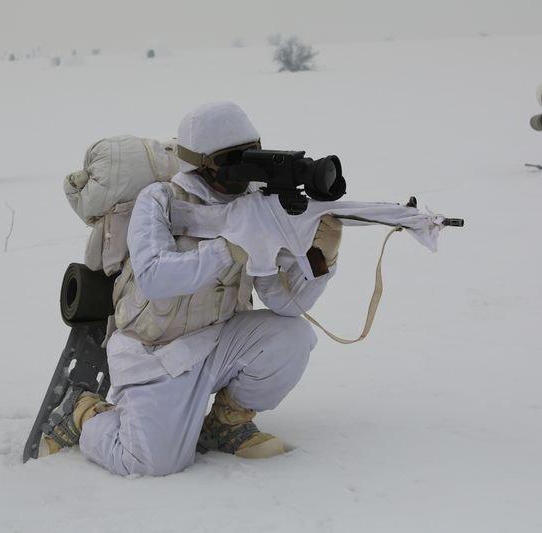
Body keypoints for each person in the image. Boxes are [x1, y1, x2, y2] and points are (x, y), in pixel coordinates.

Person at [39, 102, 342, 476]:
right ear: (203, 163)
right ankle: (82, 413)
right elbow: (153, 276)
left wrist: (319, 260)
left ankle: (225, 423)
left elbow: (283, 302)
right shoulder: (160, 199)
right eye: (235, 159)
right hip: (153, 352)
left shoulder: (256, 206)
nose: (247, 170)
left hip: (217, 343)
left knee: (292, 336)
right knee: (151, 464)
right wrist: (227, 247)